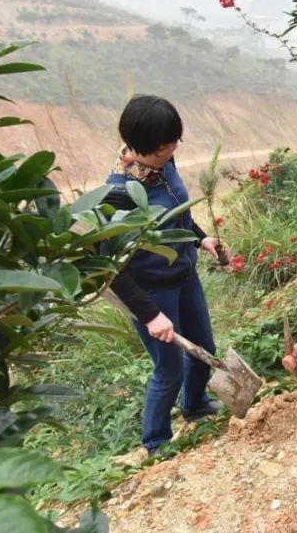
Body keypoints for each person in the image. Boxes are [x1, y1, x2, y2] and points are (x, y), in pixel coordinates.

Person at [105, 95, 229, 456]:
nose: (170, 154)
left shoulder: (162, 160)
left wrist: (200, 236)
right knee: (168, 368)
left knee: (204, 347)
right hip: (151, 290)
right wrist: (150, 315)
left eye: (174, 145)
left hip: (184, 275)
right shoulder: (117, 195)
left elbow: (178, 212)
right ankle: (156, 440)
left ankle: (195, 405)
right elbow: (113, 269)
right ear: (140, 149)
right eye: (162, 151)